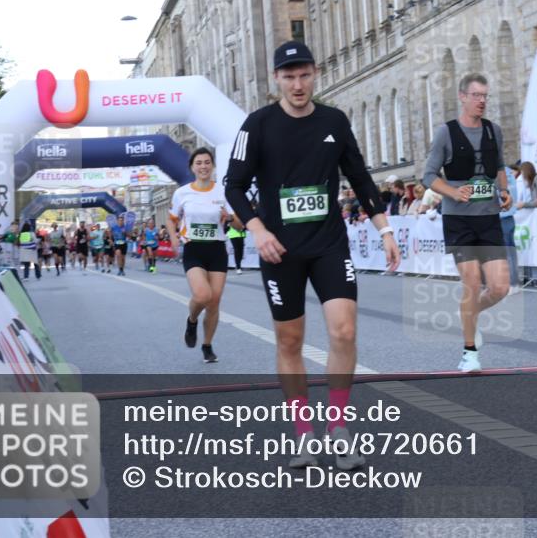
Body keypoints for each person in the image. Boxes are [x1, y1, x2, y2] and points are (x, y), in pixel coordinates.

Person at [225, 40, 400, 471]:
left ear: (315, 73)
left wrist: (386, 231)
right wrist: (258, 230)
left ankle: (338, 427)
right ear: (277, 80)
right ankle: (304, 435)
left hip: (328, 244)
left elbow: (360, 179)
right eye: (289, 77)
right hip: (279, 249)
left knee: (343, 332)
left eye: (304, 75)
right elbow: (233, 185)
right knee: (290, 341)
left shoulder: (334, 121)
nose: (298, 84)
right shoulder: (257, 125)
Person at [422, 72, 512, 374]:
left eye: (485, 95)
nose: (482, 101)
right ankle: (469, 352)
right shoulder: (445, 133)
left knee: (499, 288)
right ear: (462, 97)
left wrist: (504, 190)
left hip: (488, 219)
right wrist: (452, 191)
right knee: (472, 284)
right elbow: (428, 176)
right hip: (459, 220)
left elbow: (498, 165)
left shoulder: (493, 131)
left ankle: (470, 318)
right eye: (476, 95)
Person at [168, 148, 237, 364]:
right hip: (194, 249)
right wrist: (173, 238)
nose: (203, 166)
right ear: (192, 167)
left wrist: (230, 218)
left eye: (207, 162)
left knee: (214, 302)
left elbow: (239, 224)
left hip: (216, 249)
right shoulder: (182, 193)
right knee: (202, 295)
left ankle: (207, 346)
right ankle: (191, 320)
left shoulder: (223, 192)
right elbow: (172, 219)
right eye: (199, 163)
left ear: (213, 166)